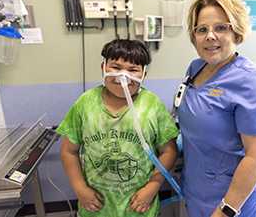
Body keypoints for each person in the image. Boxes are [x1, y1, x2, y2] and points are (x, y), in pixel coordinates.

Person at [176, 0, 256, 217]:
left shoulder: (253, 83)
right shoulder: (196, 68)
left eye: (220, 27)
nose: (210, 36)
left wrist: (226, 210)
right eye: (202, 29)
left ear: (236, 31)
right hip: (197, 190)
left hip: (233, 202)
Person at [57, 39, 180, 217]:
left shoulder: (152, 105)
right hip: (97, 207)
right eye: (116, 67)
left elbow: (169, 151)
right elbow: (69, 150)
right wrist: (81, 189)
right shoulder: (86, 103)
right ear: (103, 68)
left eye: (133, 70)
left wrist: (152, 188)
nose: (124, 75)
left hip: (139, 207)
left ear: (143, 75)